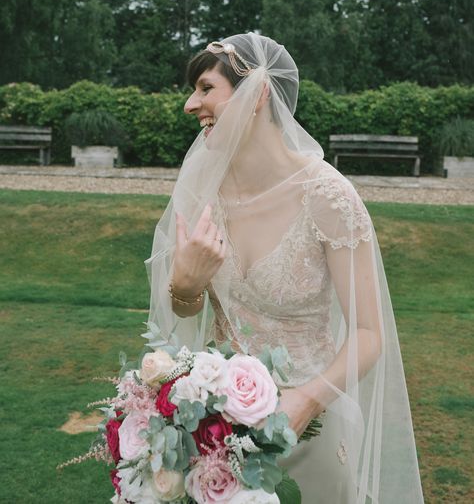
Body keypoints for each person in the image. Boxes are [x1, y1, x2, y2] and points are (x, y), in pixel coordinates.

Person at [145, 32, 424, 503]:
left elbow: (370, 333)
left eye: (206, 88)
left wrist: (308, 399)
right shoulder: (201, 196)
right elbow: (184, 315)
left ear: (258, 94)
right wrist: (187, 285)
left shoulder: (329, 197)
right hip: (219, 422)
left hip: (311, 422)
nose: (190, 105)